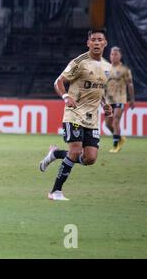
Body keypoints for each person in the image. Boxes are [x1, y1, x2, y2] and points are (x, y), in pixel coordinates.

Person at [38, 29, 113, 201]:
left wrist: (105, 105)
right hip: (74, 114)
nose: (96, 42)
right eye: (92, 39)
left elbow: (100, 90)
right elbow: (58, 82)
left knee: (90, 158)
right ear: (88, 43)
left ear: (105, 43)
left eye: (99, 40)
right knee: (75, 151)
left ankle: (55, 155)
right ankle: (55, 192)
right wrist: (66, 97)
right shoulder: (79, 62)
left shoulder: (107, 67)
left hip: (92, 119)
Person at [104, 46, 135, 153]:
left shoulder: (124, 69)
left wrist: (132, 99)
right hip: (109, 100)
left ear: (120, 56)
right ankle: (120, 137)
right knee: (108, 124)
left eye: (116, 54)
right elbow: (103, 85)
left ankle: (115, 145)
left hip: (120, 99)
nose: (113, 56)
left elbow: (130, 84)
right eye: (112, 54)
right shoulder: (106, 68)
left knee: (116, 121)